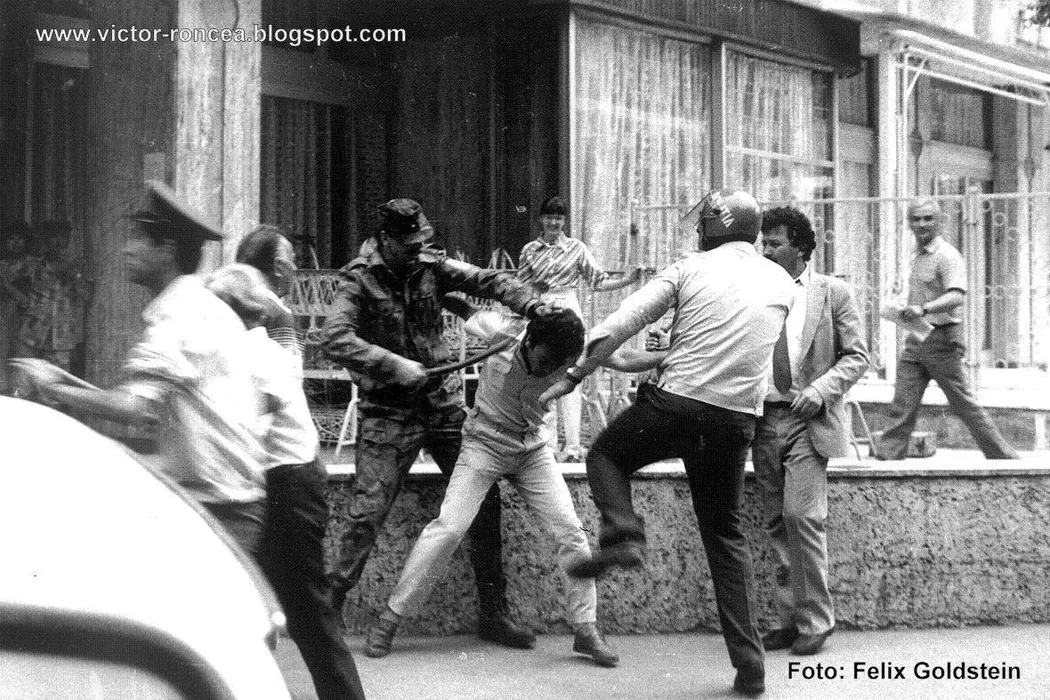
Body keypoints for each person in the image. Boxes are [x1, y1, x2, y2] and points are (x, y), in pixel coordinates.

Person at [540, 189, 797, 697]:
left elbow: (618, 325)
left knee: (606, 455)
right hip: (735, 422)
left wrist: (573, 375)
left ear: (714, 228)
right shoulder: (782, 282)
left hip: (675, 405)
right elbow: (782, 373)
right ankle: (750, 665)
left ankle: (623, 533)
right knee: (725, 537)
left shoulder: (689, 268)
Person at [322, 198, 553, 649]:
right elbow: (334, 337)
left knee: (484, 499)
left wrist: (532, 305)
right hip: (388, 411)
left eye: (420, 242)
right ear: (385, 240)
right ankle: (327, 615)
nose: (417, 251)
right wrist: (391, 363)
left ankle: (494, 613)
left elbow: (487, 280)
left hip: (442, 408)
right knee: (367, 511)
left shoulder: (431, 264)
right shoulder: (358, 279)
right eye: (409, 245)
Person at [14, 181, 269, 557]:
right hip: (221, 502)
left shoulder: (177, 312)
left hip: (221, 511)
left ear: (166, 249)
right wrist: (63, 379)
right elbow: (155, 409)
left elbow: (132, 407)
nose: (126, 248)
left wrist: (51, 388)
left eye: (138, 239)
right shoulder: (196, 303)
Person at [362, 307, 620, 666]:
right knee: (449, 528)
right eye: (545, 360)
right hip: (483, 444)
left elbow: (621, 356)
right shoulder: (502, 332)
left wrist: (666, 357)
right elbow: (461, 303)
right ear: (530, 340)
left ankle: (586, 629)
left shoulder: (574, 351)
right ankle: (391, 618)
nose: (548, 371)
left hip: (533, 449)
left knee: (572, 531)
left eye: (558, 365)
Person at [233, 229, 371, 700]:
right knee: (285, 606)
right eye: (289, 260)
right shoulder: (272, 319)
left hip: (285, 477)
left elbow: (272, 396)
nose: (294, 267)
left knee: (302, 607)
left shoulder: (266, 325)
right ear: (274, 269)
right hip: (289, 473)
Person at [752, 207, 869, 657]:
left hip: (809, 420)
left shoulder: (833, 292)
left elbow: (857, 356)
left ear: (800, 247)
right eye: (763, 243)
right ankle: (789, 621)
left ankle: (817, 621)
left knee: (802, 517)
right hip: (763, 420)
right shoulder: (755, 291)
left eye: (775, 243)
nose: (766, 251)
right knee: (776, 522)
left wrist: (820, 391)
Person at [875, 198, 1020, 461]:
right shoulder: (916, 256)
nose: (922, 224)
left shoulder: (947, 255)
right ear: (909, 223)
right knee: (902, 403)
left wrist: (924, 309)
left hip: (941, 340)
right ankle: (886, 461)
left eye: (928, 218)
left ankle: (1004, 457)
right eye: (916, 219)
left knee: (962, 402)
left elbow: (957, 296)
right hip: (917, 337)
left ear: (940, 221)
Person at [517, 195, 642, 462]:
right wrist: (533, 292)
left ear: (564, 221)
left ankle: (572, 447)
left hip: (569, 310)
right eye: (549, 218)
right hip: (541, 310)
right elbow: (520, 288)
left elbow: (598, 282)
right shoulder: (529, 250)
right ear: (541, 219)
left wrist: (628, 280)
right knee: (543, 373)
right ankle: (546, 447)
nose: (554, 223)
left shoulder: (576, 248)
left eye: (559, 218)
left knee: (570, 373)